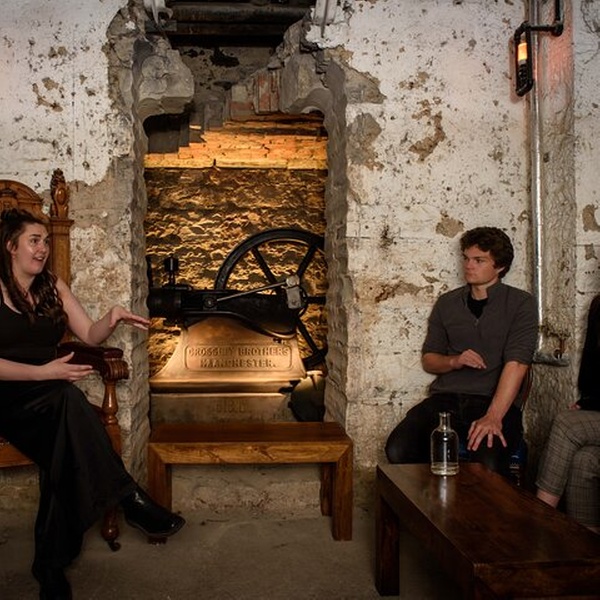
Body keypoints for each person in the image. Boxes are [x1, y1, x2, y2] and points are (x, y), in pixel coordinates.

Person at [0, 208, 185, 600]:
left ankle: (50, 568)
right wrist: (43, 373)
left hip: (50, 397)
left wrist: (110, 318)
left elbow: (88, 333)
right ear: (11, 246)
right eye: (34, 240)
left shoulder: (52, 286)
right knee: (68, 404)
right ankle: (128, 498)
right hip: (8, 394)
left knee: (63, 447)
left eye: (45, 241)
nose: (43, 248)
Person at [385, 226, 538, 477]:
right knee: (398, 449)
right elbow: (429, 360)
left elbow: (518, 363)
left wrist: (493, 416)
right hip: (445, 400)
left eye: (479, 260)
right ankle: (432, 500)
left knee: (487, 465)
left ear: (499, 266)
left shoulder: (521, 303)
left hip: (491, 401)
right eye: (466, 258)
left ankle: (475, 504)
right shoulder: (447, 303)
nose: (469, 265)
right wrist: (455, 361)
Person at [536, 294, 600, 533]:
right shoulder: (598, 305)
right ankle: (585, 546)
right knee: (584, 461)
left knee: (567, 423)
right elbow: (591, 369)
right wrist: (588, 402)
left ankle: (538, 522)